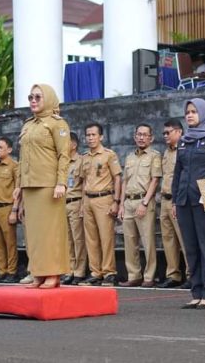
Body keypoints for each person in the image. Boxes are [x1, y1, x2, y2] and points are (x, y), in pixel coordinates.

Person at [172, 98, 205, 309]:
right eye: (188, 112)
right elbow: (178, 173)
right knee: (191, 248)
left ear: (202, 113)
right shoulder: (184, 140)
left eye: (194, 111)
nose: (190, 115)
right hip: (185, 197)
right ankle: (196, 291)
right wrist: (176, 200)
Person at [18, 83, 71, 289]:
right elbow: (22, 159)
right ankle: (38, 273)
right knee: (34, 233)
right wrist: (18, 185)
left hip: (49, 185)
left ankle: (53, 273)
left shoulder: (58, 124)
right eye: (30, 97)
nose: (33, 101)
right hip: (29, 184)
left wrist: (61, 183)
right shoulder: (28, 125)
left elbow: (63, 155)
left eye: (38, 97)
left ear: (48, 98)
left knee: (51, 232)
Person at [76, 121, 122, 287]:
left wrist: (116, 202)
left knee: (106, 237)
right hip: (88, 199)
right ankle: (95, 272)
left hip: (104, 198)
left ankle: (109, 272)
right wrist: (82, 204)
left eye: (94, 135)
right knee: (91, 239)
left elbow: (117, 178)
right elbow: (83, 182)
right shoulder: (84, 157)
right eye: (88, 135)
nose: (90, 138)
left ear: (101, 136)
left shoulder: (109, 155)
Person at [119, 123, 162, 287]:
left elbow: (155, 180)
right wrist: (122, 204)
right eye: (139, 134)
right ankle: (133, 275)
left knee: (147, 241)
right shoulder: (130, 157)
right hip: (129, 201)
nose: (142, 137)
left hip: (144, 200)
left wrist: (144, 203)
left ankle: (149, 276)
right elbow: (125, 181)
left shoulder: (154, 156)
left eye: (145, 135)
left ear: (151, 138)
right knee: (130, 241)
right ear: (134, 136)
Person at [157, 119, 190, 289]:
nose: (165, 136)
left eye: (168, 132)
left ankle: (191, 274)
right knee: (168, 239)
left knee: (185, 239)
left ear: (178, 132)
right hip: (165, 199)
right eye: (164, 133)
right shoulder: (167, 152)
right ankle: (173, 274)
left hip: (178, 200)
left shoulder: (185, 149)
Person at [0, 136, 20, 283]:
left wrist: (14, 210)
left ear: (9, 149)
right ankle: (2, 270)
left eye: (1, 147)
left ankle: (12, 271)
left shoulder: (14, 166)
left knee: (10, 242)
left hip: (7, 207)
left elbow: (17, 189)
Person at [62, 132, 87, 285]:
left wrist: (83, 203)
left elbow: (85, 184)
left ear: (74, 145)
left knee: (78, 239)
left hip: (76, 201)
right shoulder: (62, 162)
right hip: (62, 203)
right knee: (67, 240)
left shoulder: (81, 160)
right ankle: (69, 269)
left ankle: (79, 270)